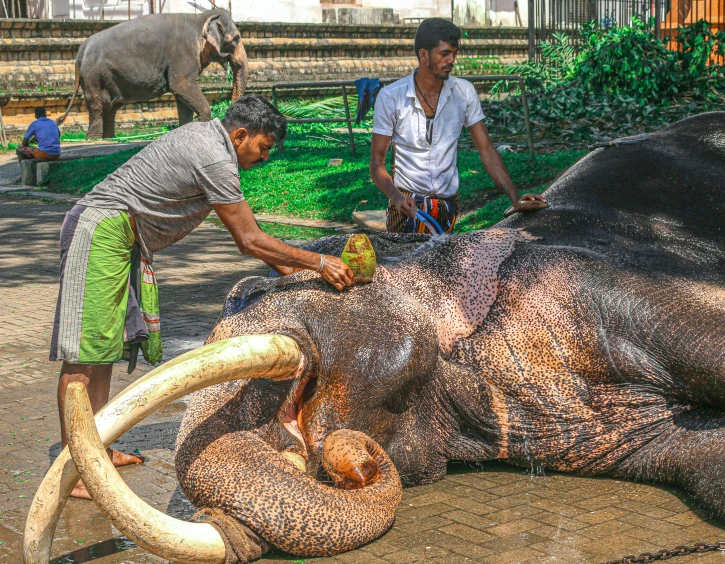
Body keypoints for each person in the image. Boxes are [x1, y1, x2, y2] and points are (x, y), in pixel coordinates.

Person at [50, 94, 355, 499]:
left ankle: (97, 449)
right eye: (263, 148)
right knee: (84, 355)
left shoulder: (211, 142)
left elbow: (253, 238)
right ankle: (77, 467)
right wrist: (319, 263)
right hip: (102, 232)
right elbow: (248, 239)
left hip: (119, 236)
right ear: (240, 135)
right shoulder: (215, 157)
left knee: (102, 352)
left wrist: (288, 267)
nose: (264, 158)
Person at [369, 18, 546, 234]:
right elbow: (377, 162)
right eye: (444, 53)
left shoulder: (464, 92)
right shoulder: (391, 97)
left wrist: (516, 198)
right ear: (424, 55)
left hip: (447, 207)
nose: (452, 60)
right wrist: (397, 198)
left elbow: (487, 151)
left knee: (443, 266)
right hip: (406, 206)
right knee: (405, 266)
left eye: (454, 53)